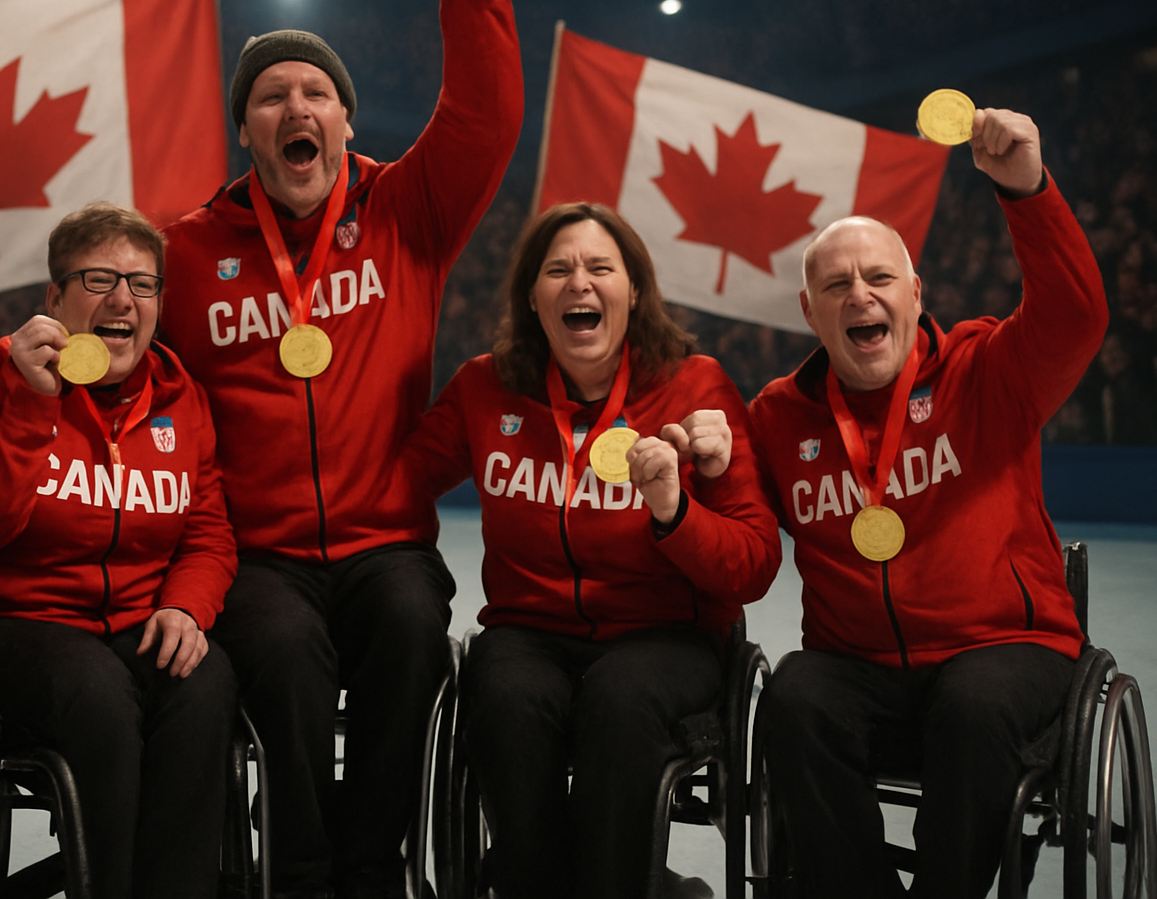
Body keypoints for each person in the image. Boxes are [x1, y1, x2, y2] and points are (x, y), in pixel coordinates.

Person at [156, 0, 523, 898]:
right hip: (261, 550)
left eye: (316, 92)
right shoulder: (187, 252)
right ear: (248, 133)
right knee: (275, 656)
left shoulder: (407, 211)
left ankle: (373, 868)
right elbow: (138, 371)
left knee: (412, 633)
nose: (296, 109)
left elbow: (484, 119)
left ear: (348, 119)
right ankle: (304, 873)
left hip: (383, 542)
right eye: (271, 97)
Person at [747, 107, 1108, 898]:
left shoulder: (990, 371)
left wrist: (1026, 190)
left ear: (915, 294)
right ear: (810, 313)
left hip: (1003, 650)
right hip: (858, 668)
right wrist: (681, 460)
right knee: (796, 697)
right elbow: (734, 532)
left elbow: (1077, 318)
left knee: (974, 708)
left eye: (878, 278)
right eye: (836, 284)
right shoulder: (777, 416)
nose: (859, 295)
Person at [400, 201, 781, 899]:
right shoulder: (487, 388)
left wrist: (674, 510)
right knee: (506, 695)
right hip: (530, 631)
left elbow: (753, 565)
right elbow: (394, 485)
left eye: (600, 267)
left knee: (618, 697)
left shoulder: (696, 387)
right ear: (533, 299)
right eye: (558, 270)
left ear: (633, 291)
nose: (580, 282)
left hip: (667, 637)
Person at [0, 202, 239, 899]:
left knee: (203, 680)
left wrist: (186, 608)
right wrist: (34, 405)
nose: (124, 299)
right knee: (95, 692)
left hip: (128, 623)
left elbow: (208, 533)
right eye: (99, 280)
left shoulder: (182, 399)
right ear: (54, 298)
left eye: (144, 283)